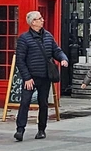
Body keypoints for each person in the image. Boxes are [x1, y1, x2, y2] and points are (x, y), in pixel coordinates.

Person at [14, 11, 68, 142]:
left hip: (45, 76)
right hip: (31, 77)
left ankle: (41, 129)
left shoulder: (48, 36)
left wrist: (63, 58)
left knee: (43, 103)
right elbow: (20, 60)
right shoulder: (24, 39)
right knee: (25, 102)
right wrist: (27, 78)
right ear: (33, 22)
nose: (43, 20)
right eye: (40, 18)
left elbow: (56, 50)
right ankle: (20, 130)